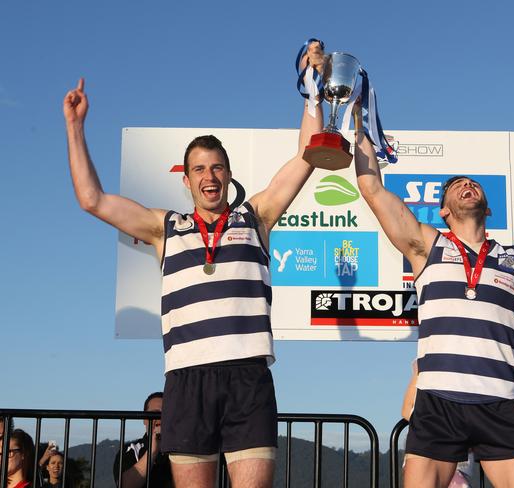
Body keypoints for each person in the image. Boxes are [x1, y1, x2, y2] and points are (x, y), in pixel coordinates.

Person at [64, 43, 324, 488]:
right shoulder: (165, 228)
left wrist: (313, 91)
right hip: (186, 380)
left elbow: (307, 156)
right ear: (186, 180)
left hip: (248, 378)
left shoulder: (255, 216)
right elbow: (93, 200)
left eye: (218, 168)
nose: (209, 177)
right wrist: (75, 126)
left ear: (229, 174)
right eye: (199, 169)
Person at [352, 104, 514, 487]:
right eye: (455, 185)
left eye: (472, 183)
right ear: (443, 210)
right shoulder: (427, 245)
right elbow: (371, 187)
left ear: (487, 207)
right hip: (438, 401)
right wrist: (359, 121)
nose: (466, 184)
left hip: (500, 405)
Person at [113, 392, 172, 488]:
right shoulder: (131, 449)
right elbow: (124, 485)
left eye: (166, 413)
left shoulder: (182, 449)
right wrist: (152, 451)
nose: (160, 418)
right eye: (155, 413)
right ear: (144, 419)